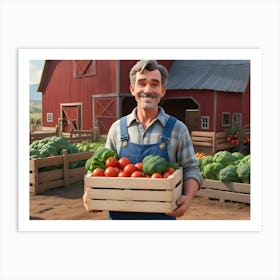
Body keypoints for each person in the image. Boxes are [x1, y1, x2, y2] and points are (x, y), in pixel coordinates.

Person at [83, 60, 203, 220]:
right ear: (132, 89)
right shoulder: (117, 128)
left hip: (162, 218)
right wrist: (91, 193)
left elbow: (191, 169)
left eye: (154, 84)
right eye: (142, 83)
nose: (148, 90)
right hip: (120, 218)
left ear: (163, 90)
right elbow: (102, 170)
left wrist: (187, 198)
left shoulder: (178, 129)